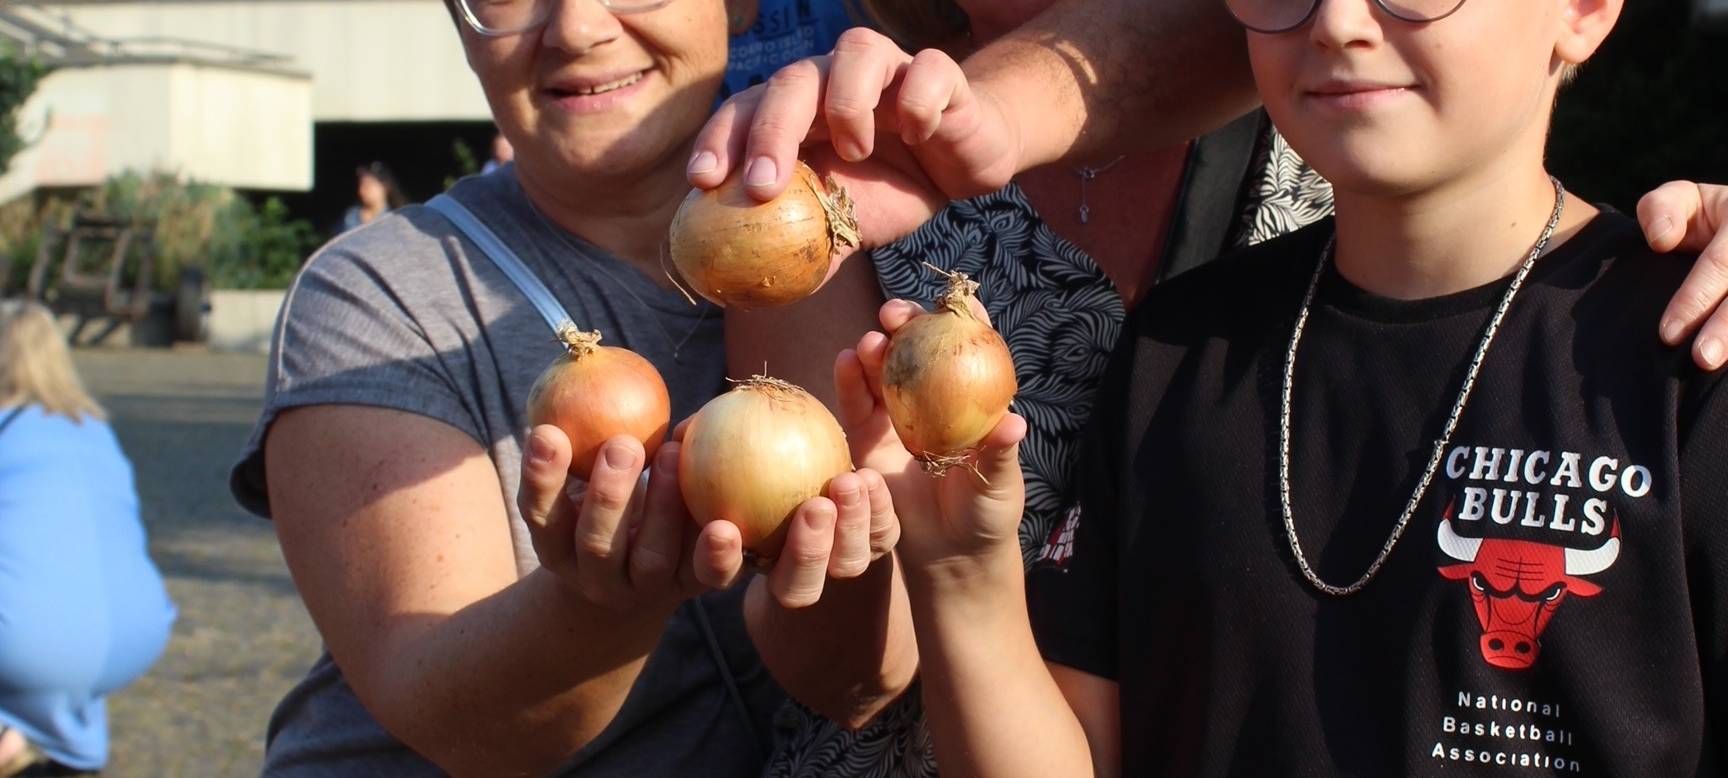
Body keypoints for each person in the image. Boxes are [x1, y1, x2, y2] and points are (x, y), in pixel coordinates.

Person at [695, 3, 1728, 777]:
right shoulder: (1181, 350)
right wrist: (964, 570)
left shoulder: (1692, 348)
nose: (1339, 21)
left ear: (1585, 9)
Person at [229, 1, 900, 775]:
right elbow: (452, 723)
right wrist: (597, 606)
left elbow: (858, 685)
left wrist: (875, 552)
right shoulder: (373, 296)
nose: (577, 28)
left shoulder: (852, 237)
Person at [0, 301, 176, 777]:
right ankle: (59, 748)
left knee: (33, 633)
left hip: (31, 642)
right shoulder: (93, 428)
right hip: (139, 630)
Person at [336, 161, 408, 235]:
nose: (362, 190)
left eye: (368, 185)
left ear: (385, 186)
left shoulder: (397, 216)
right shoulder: (350, 217)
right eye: (361, 185)